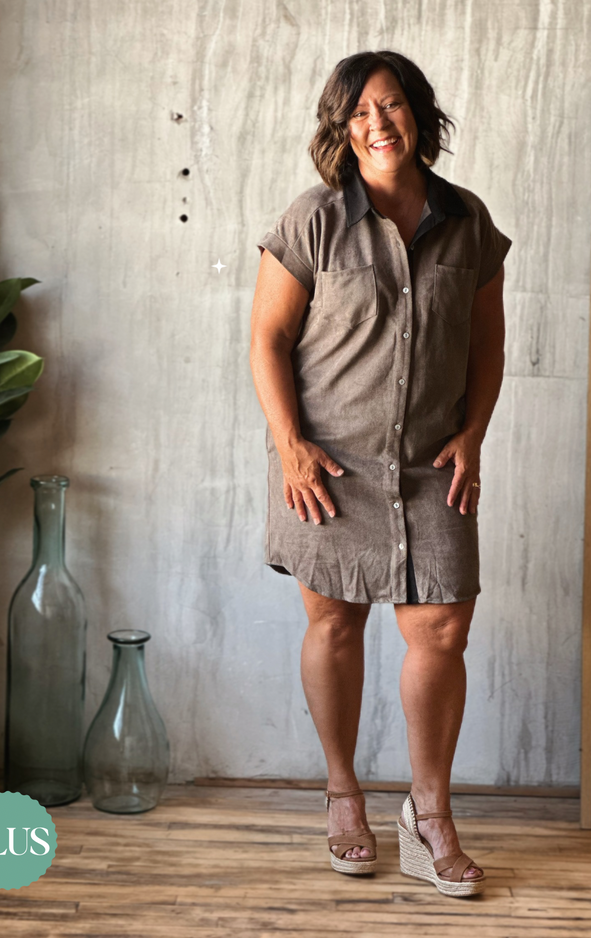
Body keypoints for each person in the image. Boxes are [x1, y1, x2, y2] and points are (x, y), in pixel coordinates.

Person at [249, 50, 511, 897]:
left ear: (418, 116)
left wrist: (474, 433)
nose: (377, 124)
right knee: (335, 626)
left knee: (441, 631)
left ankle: (427, 815)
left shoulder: (469, 223)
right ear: (341, 127)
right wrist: (289, 445)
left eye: (392, 107)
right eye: (359, 113)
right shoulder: (314, 219)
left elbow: (487, 344)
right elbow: (267, 341)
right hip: (325, 464)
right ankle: (342, 796)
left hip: (431, 463)